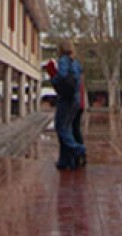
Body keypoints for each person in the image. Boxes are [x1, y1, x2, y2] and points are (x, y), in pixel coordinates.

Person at [50, 40, 86, 170]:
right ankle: (65, 161)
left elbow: (62, 76)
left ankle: (78, 149)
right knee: (68, 127)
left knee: (61, 127)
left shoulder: (63, 60)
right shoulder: (76, 62)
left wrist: (53, 78)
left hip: (66, 98)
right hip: (75, 98)